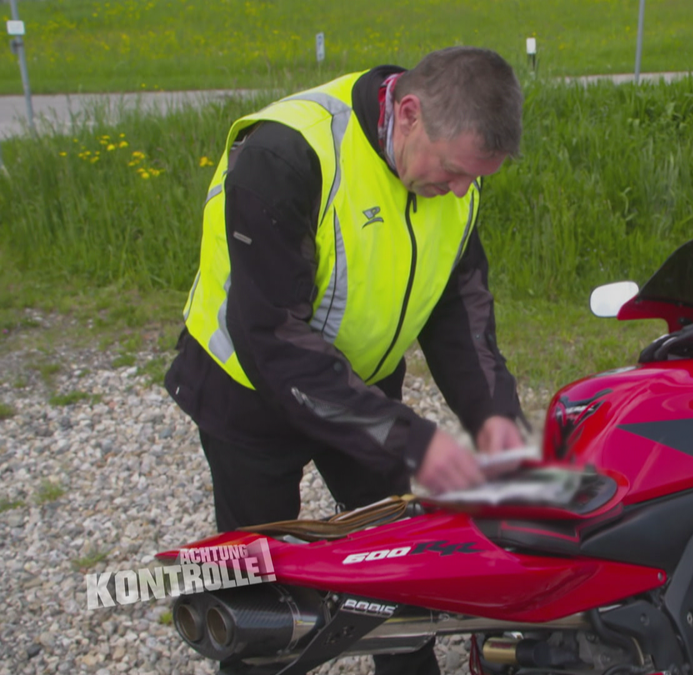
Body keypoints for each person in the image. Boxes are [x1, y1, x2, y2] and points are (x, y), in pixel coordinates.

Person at [164, 46, 527, 675]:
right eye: (455, 171)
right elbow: (272, 338)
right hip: (246, 396)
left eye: (477, 178)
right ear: (408, 114)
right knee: (258, 601)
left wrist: (495, 419)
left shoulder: (453, 175)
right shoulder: (286, 154)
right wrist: (415, 441)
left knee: (399, 575)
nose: (462, 190)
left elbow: (460, 315)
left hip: (357, 388)